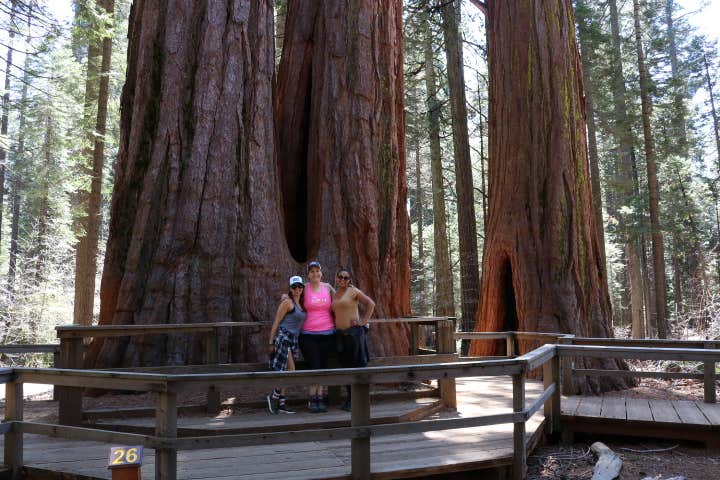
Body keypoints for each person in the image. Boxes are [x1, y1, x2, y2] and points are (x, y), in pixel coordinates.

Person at [332, 268, 375, 411]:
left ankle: (360, 401)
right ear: (336, 277)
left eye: (346, 278)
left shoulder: (353, 291)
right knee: (346, 368)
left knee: (357, 367)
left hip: (354, 335)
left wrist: (363, 322)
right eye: (340, 277)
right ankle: (351, 399)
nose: (343, 280)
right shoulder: (335, 293)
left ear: (350, 280)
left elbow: (370, 304)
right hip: (341, 335)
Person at [299, 261, 336, 413]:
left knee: (323, 366)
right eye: (312, 271)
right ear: (308, 274)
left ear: (321, 273)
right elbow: (291, 296)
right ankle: (312, 399)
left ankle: (320, 397)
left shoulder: (327, 287)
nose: (315, 274)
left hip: (327, 333)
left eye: (317, 271)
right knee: (314, 366)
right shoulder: (305, 288)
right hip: (308, 334)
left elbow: (340, 297)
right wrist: (284, 296)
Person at [267, 275, 307, 414]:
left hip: (293, 340)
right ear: (290, 288)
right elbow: (276, 322)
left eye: (300, 286)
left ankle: (282, 403)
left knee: (286, 371)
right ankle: (273, 396)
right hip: (284, 337)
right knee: (291, 370)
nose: (297, 289)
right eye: (294, 287)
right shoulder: (287, 303)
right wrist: (270, 342)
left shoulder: (302, 302)